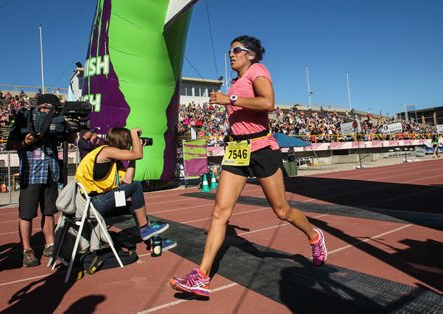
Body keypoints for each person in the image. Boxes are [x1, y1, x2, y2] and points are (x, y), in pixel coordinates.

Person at [170, 35, 327, 298]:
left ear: (251, 54)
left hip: (262, 148)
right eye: (229, 51)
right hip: (236, 150)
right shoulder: (234, 81)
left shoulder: (257, 71)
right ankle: (202, 276)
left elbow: (268, 103)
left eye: (236, 50)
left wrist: (229, 99)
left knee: (281, 210)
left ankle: (314, 236)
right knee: (219, 213)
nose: (231, 54)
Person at [75, 127, 176, 250]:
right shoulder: (106, 151)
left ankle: (154, 242)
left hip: (98, 202)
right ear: (122, 141)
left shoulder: (113, 159)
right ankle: (145, 228)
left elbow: (128, 180)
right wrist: (134, 134)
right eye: (129, 141)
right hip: (93, 203)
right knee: (136, 185)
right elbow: (138, 155)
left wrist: (133, 158)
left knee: (135, 206)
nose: (130, 144)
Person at [6, 94, 62, 267]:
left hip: (50, 173)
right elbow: (10, 144)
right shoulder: (26, 119)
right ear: (41, 106)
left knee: (49, 212)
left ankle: (50, 244)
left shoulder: (56, 123)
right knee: (26, 214)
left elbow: (66, 138)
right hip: (30, 174)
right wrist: (25, 141)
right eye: (48, 108)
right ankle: (27, 250)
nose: (51, 111)